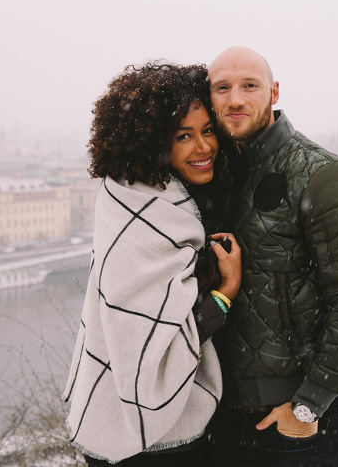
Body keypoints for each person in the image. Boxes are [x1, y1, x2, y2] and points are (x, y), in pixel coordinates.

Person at [206, 46, 338, 467]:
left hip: (300, 429)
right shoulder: (212, 175)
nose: (235, 99)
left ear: (273, 92)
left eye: (249, 86)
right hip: (221, 421)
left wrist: (308, 405)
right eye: (222, 88)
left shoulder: (325, 177)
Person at [63, 62, 242, 466]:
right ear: (153, 144)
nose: (204, 147)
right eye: (184, 136)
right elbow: (154, 348)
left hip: (114, 417)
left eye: (208, 130)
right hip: (152, 445)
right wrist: (225, 293)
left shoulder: (129, 195)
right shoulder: (148, 213)